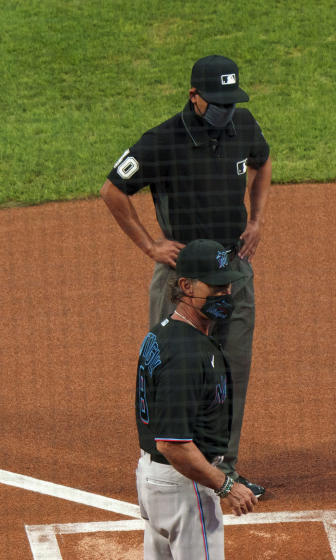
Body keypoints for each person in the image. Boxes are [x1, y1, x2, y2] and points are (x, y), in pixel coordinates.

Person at [102, 54, 271, 498]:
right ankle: (170, 471)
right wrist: (150, 246)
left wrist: (255, 221)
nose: (226, 110)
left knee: (231, 370)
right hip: (183, 281)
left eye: (231, 102)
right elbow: (112, 189)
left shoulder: (243, 125)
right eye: (217, 102)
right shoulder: (162, 141)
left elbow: (263, 162)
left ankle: (222, 469)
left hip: (234, 272)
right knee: (177, 368)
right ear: (194, 97)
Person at [132, 239, 268, 560]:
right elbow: (174, 443)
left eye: (230, 283)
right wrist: (225, 484)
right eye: (216, 286)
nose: (226, 293)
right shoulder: (188, 353)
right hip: (183, 484)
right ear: (185, 287)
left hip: (155, 482)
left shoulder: (165, 334)